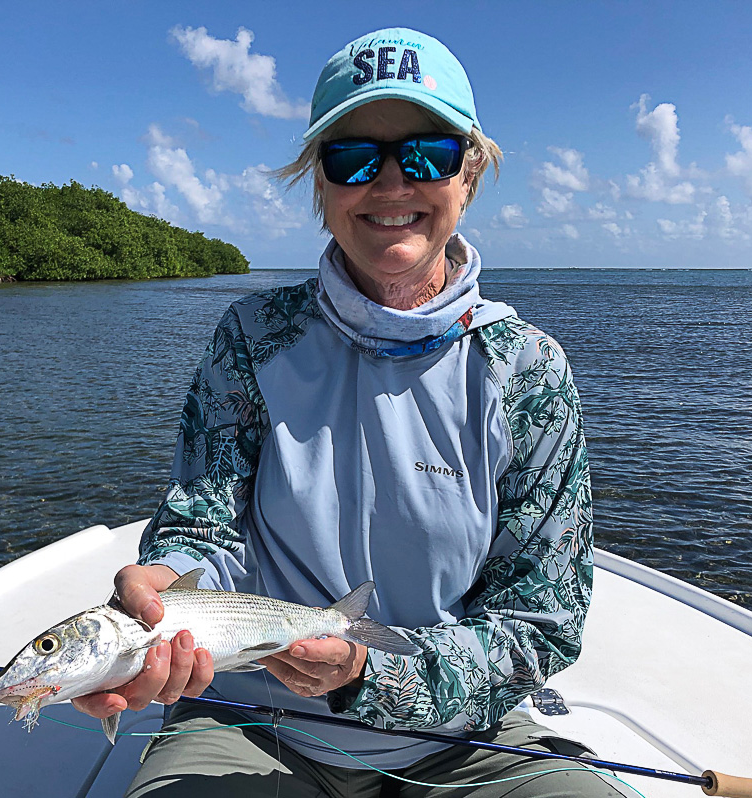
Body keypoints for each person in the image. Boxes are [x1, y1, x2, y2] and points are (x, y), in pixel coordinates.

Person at [74, 26, 617, 797]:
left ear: (468, 173)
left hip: (465, 735)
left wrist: (370, 671)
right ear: (321, 185)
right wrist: (170, 581)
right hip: (252, 721)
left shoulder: (529, 371)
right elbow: (205, 524)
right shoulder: (252, 341)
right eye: (353, 157)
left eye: (425, 154)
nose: (392, 184)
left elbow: (540, 624)